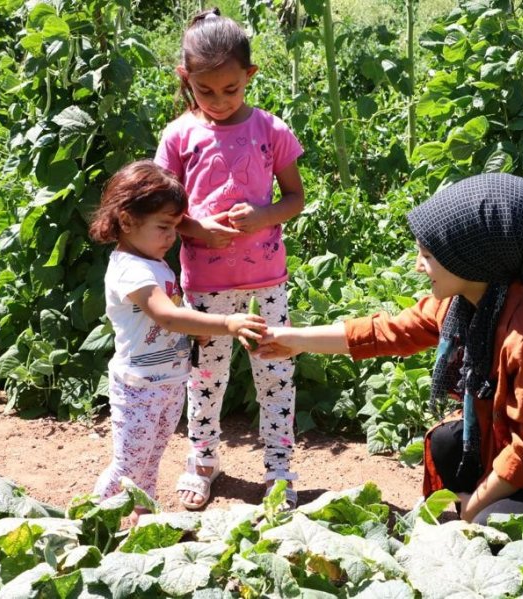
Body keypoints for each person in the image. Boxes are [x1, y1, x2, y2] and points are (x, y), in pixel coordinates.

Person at [255, 173, 523, 524]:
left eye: (428, 256)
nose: (420, 266)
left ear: (471, 261)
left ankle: (487, 512)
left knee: (493, 527)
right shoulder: (465, 305)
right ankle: (483, 506)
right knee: (447, 442)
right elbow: (387, 332)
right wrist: (292, 340)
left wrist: (471, 512)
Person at [154, 7, 305, 510]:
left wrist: (264, 217)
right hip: (204, 289)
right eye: (206, 91)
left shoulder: (270, 130)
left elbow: (294, 199)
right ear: (185, 79)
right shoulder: (178, 136)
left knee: (275, 374)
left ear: (250, 77)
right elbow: (164, 208)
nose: (219, 101)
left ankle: (279, 469)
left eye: (231, 89)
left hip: (268, 284)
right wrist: (195, 227)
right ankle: (202, 459)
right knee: (205, 377)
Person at [88, 160, 266, 524]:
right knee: (128, 464)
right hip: (138, 386)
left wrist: (193, 329)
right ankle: (89, 519)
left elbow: (172, 312)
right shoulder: (131, 269)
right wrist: (225, 323)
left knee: (150, 459)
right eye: (163, 227)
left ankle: (144, 518)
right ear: (126, 220)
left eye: (174, 226)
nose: (172, 237)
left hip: (167, 383)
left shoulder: (152, 261)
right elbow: (164, 315)